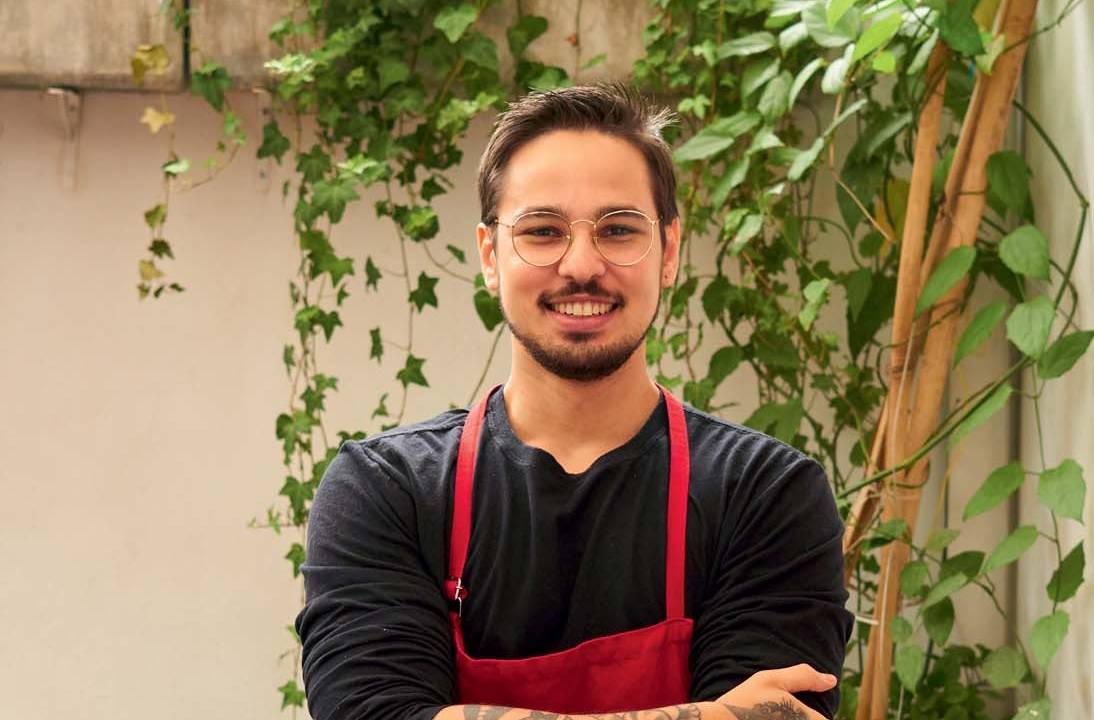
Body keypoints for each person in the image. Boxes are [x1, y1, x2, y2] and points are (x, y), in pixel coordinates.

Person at [295, 84, 853, 720]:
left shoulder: (766, 493)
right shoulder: (386, 490)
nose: (581, 264)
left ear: (669, 252)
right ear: (490, 256)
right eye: (542, 231)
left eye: (618, 230)